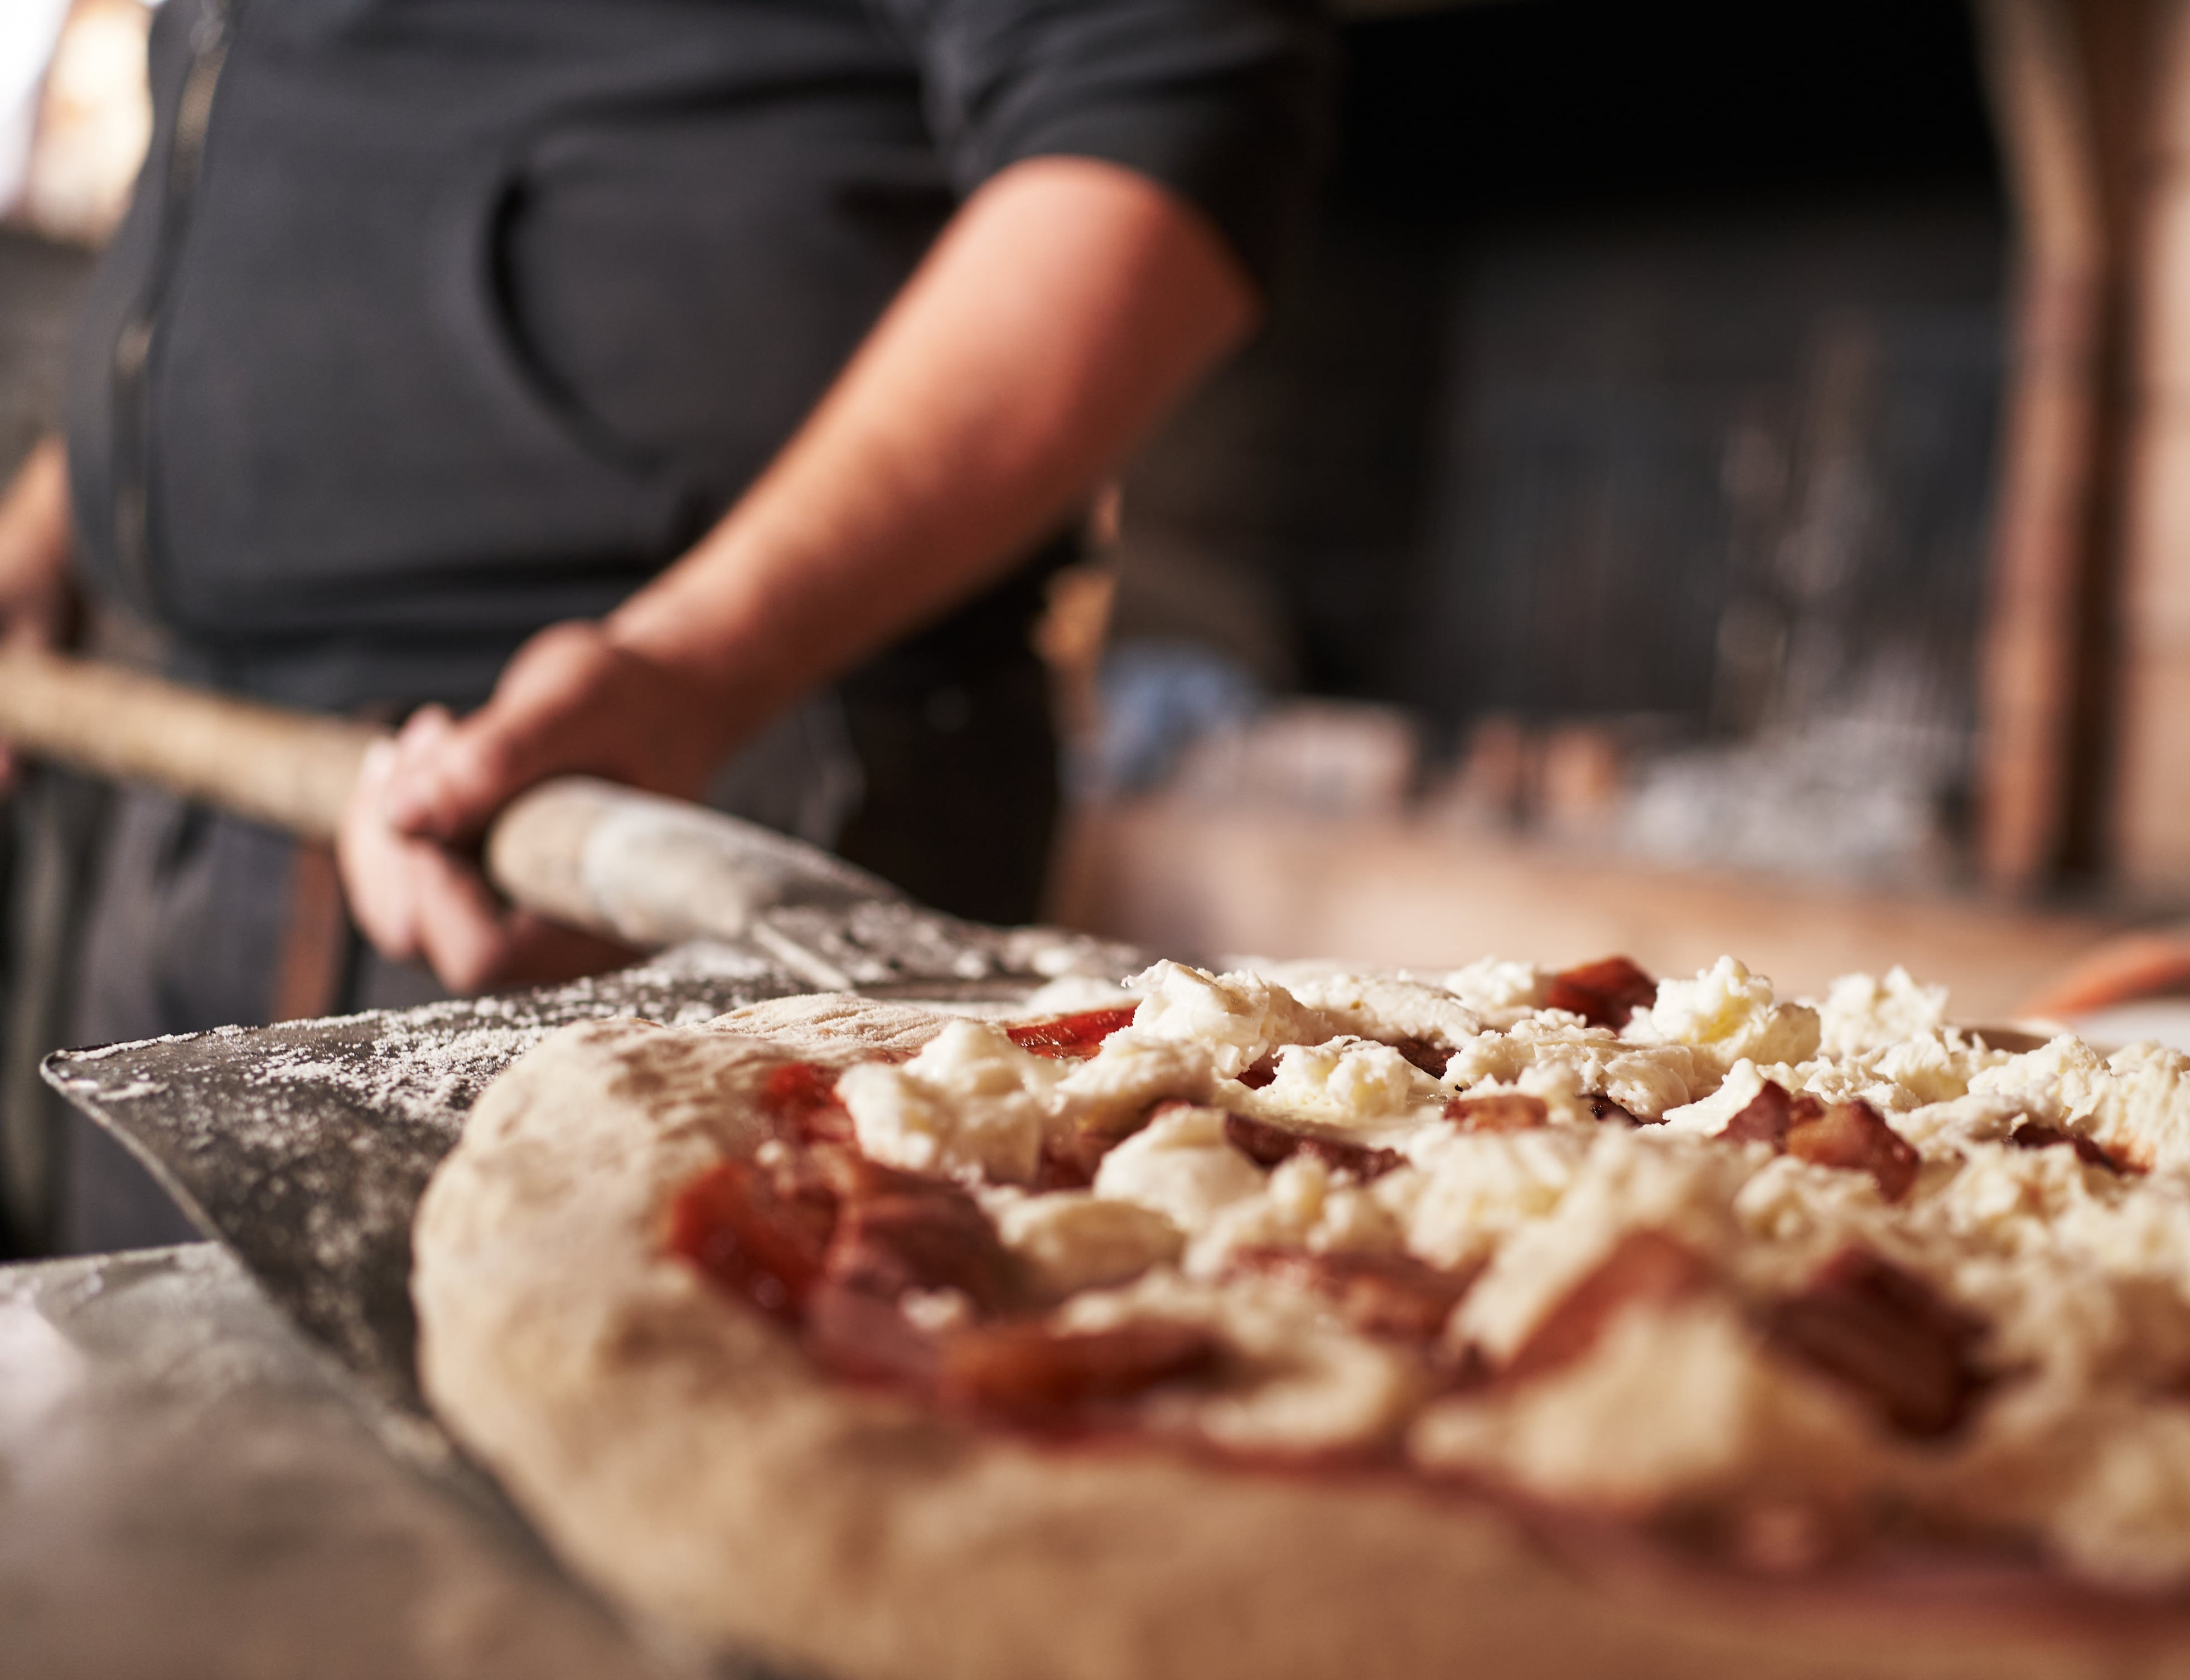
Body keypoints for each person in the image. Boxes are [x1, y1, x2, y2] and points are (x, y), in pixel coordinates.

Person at [0, 0, 1333, 1252]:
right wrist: (67, 511)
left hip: (639, 805)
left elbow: (1154, 98)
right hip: (203, 790)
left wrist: (696, 668)